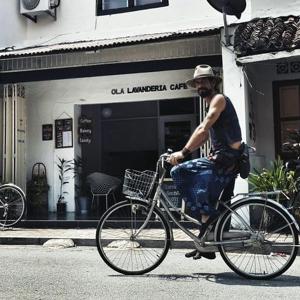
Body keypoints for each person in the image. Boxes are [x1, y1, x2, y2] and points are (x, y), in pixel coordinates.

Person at [168, 64, 243, 260]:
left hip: (225, 160)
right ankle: (203, 242)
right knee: (203, 195)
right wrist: (188, 149)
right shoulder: (211, 103)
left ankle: (209, 224)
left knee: (179, 172)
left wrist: (183, 153)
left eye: (203, 81)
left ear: (213, 82)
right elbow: (204, 136)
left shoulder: (218, 99)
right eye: (197, 82)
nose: (200, 85)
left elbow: (203, 127)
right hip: (223, 160)